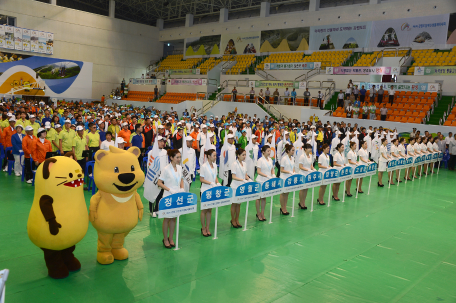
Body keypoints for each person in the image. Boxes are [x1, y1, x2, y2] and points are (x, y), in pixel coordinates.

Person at [157, 149, 184, 249]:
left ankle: (171, 238)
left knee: (174, 218)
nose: (179, 159)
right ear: (171, 158)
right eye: (177, 157)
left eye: (180, 157)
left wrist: (182, 188)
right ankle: (165, 239)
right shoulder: (166, 169)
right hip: (168, 196)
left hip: (177, 196)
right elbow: (159, 183)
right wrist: (169, 189)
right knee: (167, 218)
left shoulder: (180, 168)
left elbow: (181, 179)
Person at [199, 149, 219, 237]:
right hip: (205, 190)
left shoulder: (215, 166)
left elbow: (215, 177)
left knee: (210, 210)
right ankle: (203, 228)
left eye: (215, 155)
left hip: (213, 190)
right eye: (214, 155)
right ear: (209, 156)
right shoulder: (203, 166)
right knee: (204, 210)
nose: (215, 157)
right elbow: (201, 179)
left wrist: (217, 183)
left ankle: (207, 227)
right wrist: (210, 183)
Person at [230, 148, 252, 228]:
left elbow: (245, 175)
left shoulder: (244, 164)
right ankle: (233, 220)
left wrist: (249, 179)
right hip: (235, 187)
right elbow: (233, 177)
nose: (244, 156)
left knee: (239, 204)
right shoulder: (234, 164)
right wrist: (243, 180)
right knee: (234, 204)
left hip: (242, 187)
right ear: (238, 155)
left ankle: (237, 219)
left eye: (245, 155)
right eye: (243, 155)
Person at [150, 136, 169, 217]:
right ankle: (152, 211)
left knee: (161, 193)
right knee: (153, 193)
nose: (162, 143)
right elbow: (150, 165)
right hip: (154, 176)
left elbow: (167, 163)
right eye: (160, 141)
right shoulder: (151, 152)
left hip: (163, 176)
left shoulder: (165, 152)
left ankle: (157, 209)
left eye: (163, 141)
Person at [255, 145, 275, 221]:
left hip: (267, 181)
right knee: (259, 198)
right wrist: (267, 175)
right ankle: (258, 213)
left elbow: (272, 169)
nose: (269, 152)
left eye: (270, 151)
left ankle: (262, 213)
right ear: (263, 152)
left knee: (264, 197)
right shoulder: (260, 160)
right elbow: (258, 171)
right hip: (261, 181)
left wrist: (273, 175)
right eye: (268, 151)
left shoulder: (270, 160)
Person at [298, 144, 315, 209]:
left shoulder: (310, 156)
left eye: (311, 148)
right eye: (308, 148)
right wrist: (308, 170)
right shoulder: (302, 156)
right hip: (303, 174)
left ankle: (303, 202)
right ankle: (300, 202)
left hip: (308, 174)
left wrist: (313, 169)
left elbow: (311, 165)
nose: (310, 149)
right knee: (302, 189)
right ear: (305, 149)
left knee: (306, 189)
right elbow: (300, 167)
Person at [279, 143, 295, 215]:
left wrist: (293, 173)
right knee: (283, 193)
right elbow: (281, 170)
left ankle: (285, 207)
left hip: (290, 178)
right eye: (292, 150)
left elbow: (293, 168)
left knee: (287, 193)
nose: (293, 152)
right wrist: (289, 172)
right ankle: (282, 208)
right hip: (284, 178)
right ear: (288, 151)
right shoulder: (284, 158)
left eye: (294, 151)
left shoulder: (292, 158)